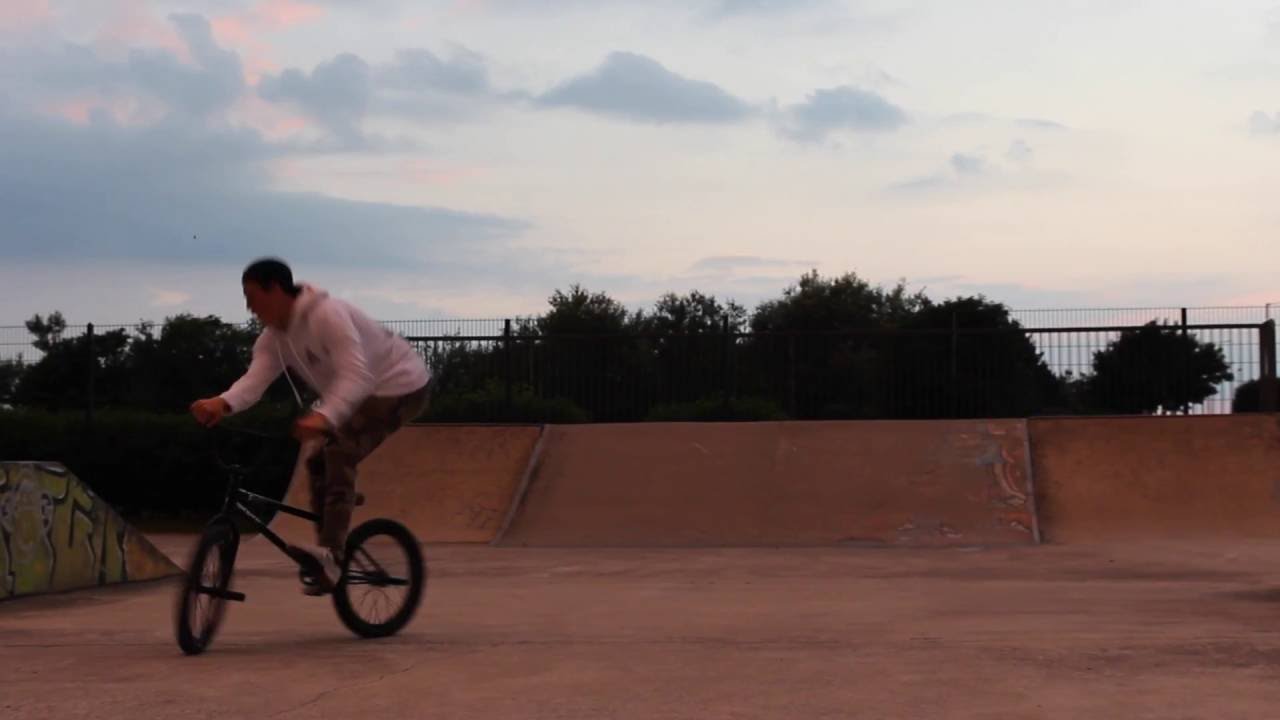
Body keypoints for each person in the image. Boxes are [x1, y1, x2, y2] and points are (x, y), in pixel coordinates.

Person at [190, 258, 432, 595]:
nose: (250, 308)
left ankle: (332, 553)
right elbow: (255, 380)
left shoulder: (327, 315)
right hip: (356, 395)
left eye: (252, 297)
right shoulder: (275, 337)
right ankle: (335, 529)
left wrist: (325, 416)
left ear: (275, 289)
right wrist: (223, 402)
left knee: (339, 451)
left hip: (399, 386)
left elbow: (356, 375)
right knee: (319, 462)